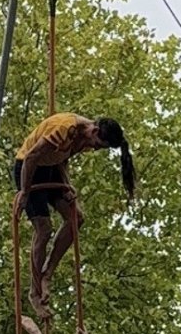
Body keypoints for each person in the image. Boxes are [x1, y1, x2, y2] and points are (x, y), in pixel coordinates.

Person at [13, 112, 135, 319]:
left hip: (50, 169)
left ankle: (47, 274)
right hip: (29, 168)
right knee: (44, 229)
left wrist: (67, 185)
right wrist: (24, 191)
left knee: (76, 218)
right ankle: (35, 291)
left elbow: (62, 158)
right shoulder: (63, 128)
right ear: (95, 130)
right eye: (98, 145)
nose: (95, 149)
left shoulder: (84, 137)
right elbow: (32, 157)